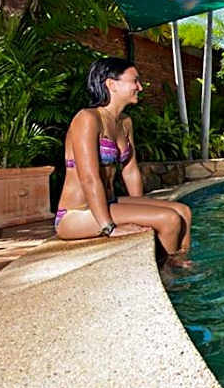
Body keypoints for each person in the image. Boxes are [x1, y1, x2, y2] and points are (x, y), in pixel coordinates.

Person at [55, 57, 192, 264]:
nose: (140, 87)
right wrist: (109, 227)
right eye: (134, 81)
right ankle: (167, 273)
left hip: (108, 202)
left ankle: (182, 266)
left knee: (183, 212)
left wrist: (143, 211)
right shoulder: (87, 119)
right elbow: (89, 178)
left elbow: (130, 171)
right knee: (169, 219)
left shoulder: (125, 122)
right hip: (77, 213)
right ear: (111, 84)